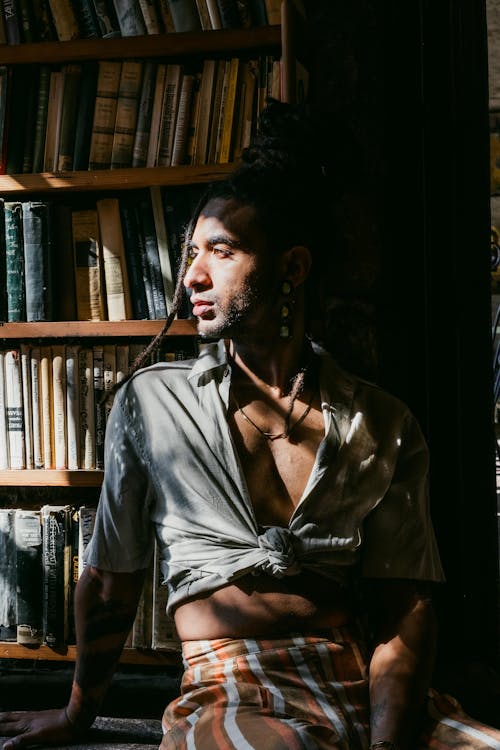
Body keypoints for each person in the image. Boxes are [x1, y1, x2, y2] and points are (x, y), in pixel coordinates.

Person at [0, 101, 499, 750]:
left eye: (222, 251)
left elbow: (406, 607)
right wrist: (76, 714)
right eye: (191, 253)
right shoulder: (155, 405)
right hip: (234, 684)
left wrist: (388, 742)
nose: (193, 276)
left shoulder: (379, 421)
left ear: (292, 268)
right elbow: (109, 578)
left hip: (362, 681)